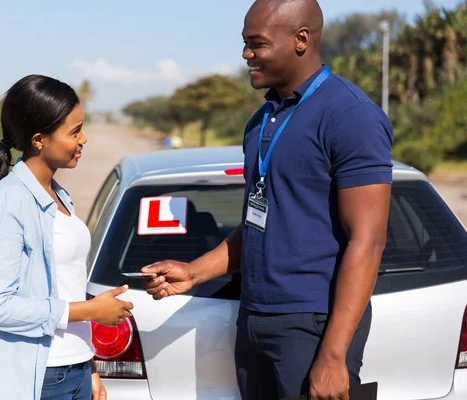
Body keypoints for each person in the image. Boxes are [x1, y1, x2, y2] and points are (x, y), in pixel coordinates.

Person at [141, 1, 393, 399]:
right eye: (245, 44)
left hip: (312, 323)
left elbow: (368, 240)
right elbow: (262, 222)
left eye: (256, 44)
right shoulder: (261, 121)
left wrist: (332, 355)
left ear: (301, 40)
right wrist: (193, 273)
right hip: (254, 318)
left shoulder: (350, 115)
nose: (246, 55)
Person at [0, 74, 134, 400]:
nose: (83, 139)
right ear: (40, 139)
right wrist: (89, 311)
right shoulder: (9, 201)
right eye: (74, 132)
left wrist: (90, 365)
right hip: (39, 377)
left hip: (76, 367)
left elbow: (65, 285)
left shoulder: (59, 195)